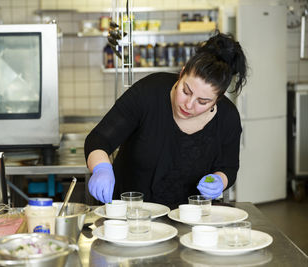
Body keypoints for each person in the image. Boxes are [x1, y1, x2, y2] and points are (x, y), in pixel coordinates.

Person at [84, 31, 248, 208]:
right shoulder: (149, 92)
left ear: (219, 98)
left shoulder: (227, 118)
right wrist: (102, 169)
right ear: (182, 73)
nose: (189, 104)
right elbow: (99, 139)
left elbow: (228, 168)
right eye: (186, 91)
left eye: (203, 101)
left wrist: (219, 180)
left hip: (190, 220)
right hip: (130, 214)